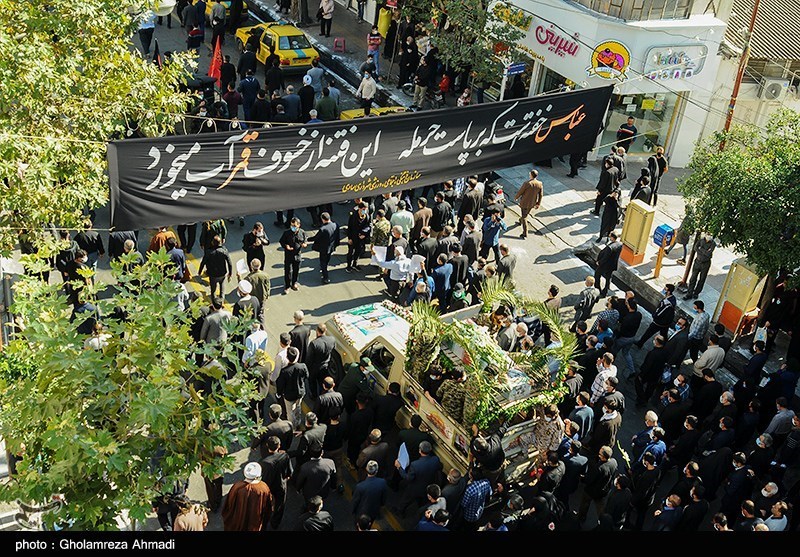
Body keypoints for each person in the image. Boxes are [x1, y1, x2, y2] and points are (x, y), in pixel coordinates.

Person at [221, 462, 273, 531]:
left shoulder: (237, 486)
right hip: (254, 522)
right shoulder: (263, 488)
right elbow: (267, 505)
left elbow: (229, 503)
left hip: (238, 521)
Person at [259, 435, 293, 530]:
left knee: (265, 503)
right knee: (280, 504)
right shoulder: (285, 456)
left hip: (268, 486)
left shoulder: (263, 462)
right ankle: (275, 523)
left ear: (267, 445)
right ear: (279, 446)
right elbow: (290, 472)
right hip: (280, 484)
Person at [578, 445, 617, 524]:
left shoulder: (599, 468)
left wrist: (582, 478)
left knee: (585, 504)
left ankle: (581, 518)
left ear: (603, 457)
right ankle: (603, 521)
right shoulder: (614, 462)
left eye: (600, 454)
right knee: (600, 507)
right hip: (603, 490)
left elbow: (589, 480)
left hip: (591, 491)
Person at [275, 347, 308, 428]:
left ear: (287, 357)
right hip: (300, 392)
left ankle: (292, 427)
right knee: (298, 407)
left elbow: (280, 385)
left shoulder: (284, 372)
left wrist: (279, 393)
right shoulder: (302, 366)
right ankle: (298, 421)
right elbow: (306, 376)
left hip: (289, 396)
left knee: (290, 412)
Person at [279, 217, 307, 294]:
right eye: (291, 225)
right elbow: (282, 241)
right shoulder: (286, 233)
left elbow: (305, 240)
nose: (293, 227)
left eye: (294, 226)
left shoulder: (302, 232)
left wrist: (304, 244)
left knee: (296, 270)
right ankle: (287, 285)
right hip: (289, 255)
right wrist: (286, 246)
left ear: (299, 225)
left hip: (297, 255)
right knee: (288, 271)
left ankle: (294, 283)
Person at [685, 233, 717, 300]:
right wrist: (705, 251)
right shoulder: (701, 240)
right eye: (708, 234)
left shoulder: (713, 244)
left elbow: (708, 253)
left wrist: (701, 249)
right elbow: (695, 248)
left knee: (702, 279)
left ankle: (696, 293)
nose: (709, 236)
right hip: (697, 262)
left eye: (710, 235)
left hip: (706, 263)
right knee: (693, 278)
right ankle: (689, 293)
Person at [514, 169, 542, 239]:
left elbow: (521, 191)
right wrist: (538, 203)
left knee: (524, 217)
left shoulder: (527, 183)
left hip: (524, 202)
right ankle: (520, 221)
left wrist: (516, 197)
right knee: (525, 214)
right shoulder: (540, 183)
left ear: (531, 175)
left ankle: (525, 233)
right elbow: (540, 195)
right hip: (532, 203)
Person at [594, 232, 622, 297]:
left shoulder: (610, 247)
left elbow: (605, 257)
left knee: (597, 275)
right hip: (612, 265)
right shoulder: (620, 244)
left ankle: (598, 289)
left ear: (612, 237)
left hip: (605, 265)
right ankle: (606, 291)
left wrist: (599, 262)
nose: (609, 238)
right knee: (608, 277)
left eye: (610, 236)